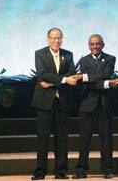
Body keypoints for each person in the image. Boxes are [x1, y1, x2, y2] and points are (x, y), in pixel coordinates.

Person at [73, 34, 118, 179]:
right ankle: (81, 170)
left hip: (105, 104)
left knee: (106, 140)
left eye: (98, 44)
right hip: (87, 105)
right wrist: (107, 84)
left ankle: (107, 169)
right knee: (84, 140)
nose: (95, 46)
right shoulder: (83, 60)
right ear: (88, 45)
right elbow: (96, 80)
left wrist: (85, 77)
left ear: (103, 44)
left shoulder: (110, 59)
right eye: (92, 44)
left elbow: (106, 74)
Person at [31, 28, 81, 180]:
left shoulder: (68, 54)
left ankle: (61, 172)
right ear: (48, 39)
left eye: (59, 38)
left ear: (62, 39)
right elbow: (42, 74)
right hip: (44, 102)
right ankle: (40, 172)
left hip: (62, 102)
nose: (56, 41)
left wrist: (51, 83)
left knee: (62, 139)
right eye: (53, 38)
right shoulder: (40, 53)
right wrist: (64, 80)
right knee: (43, 139)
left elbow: (72, 72)